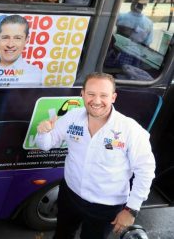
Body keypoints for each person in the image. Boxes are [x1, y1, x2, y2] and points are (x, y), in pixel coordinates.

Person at [35, 72, 155, 239]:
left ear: (113, 97)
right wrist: (43, 132)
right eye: (91, 94)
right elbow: (45, 145)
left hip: (106, 207)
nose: (96, 101)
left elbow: (145, 171)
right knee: (62, 235)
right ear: (82, 94)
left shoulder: (131, 130)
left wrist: (131, 209)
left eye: (103, 95)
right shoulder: (72, 117)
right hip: (70, 195)